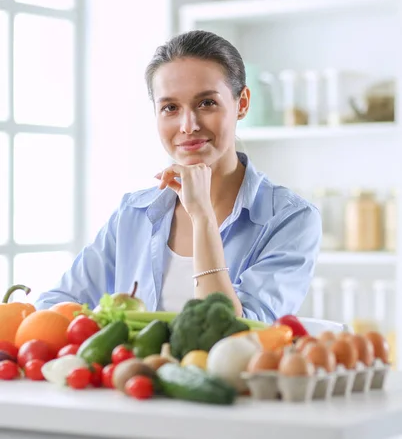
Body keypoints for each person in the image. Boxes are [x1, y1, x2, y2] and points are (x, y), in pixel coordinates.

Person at [35, 30, 322, 322]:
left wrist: (203, 218)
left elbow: (238, 335)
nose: (188, 125)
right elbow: (54, 305)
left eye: (207, 103)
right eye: (170, 108)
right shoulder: (133, 214)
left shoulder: (290, 219)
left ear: (243, 103)